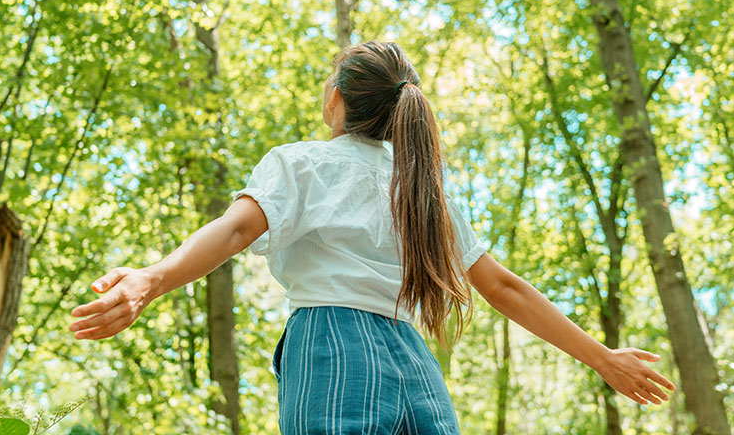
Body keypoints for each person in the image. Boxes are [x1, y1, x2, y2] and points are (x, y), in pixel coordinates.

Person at [69, 41, 675, 433]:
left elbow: (232, 232)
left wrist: (151, 278)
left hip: (331, 345)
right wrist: (603, 358)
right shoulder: (425, 191)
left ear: (336, 100)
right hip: (414, 361)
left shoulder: (302, 163)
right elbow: (504, 287)